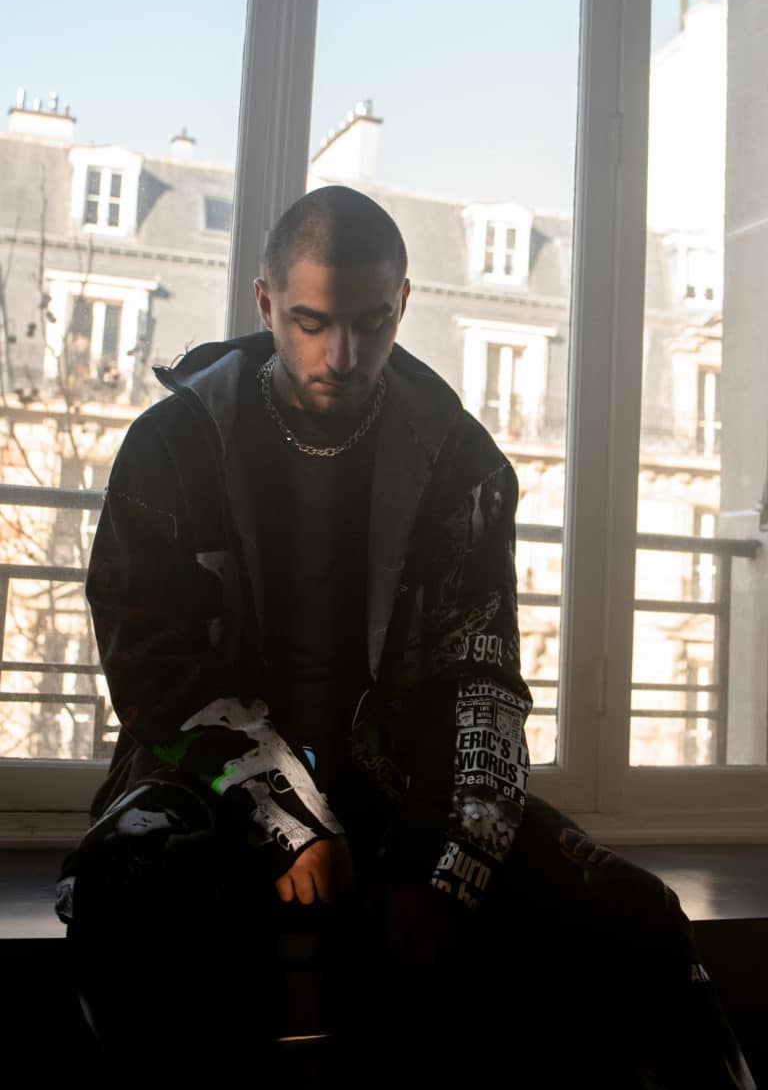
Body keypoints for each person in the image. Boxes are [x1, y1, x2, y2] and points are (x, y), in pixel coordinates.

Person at [56, 185, 755, 1088]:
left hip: (403, 787)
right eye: (311, 322)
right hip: (206, 784)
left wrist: (441, 869)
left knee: (638, 916)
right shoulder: (171, 445)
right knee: (125, 896)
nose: (342, 355)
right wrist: (287, 819)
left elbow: (484, 686)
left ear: (404, 304)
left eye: (371, 323)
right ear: (265, 302)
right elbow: (150, 667)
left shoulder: (459, 462)